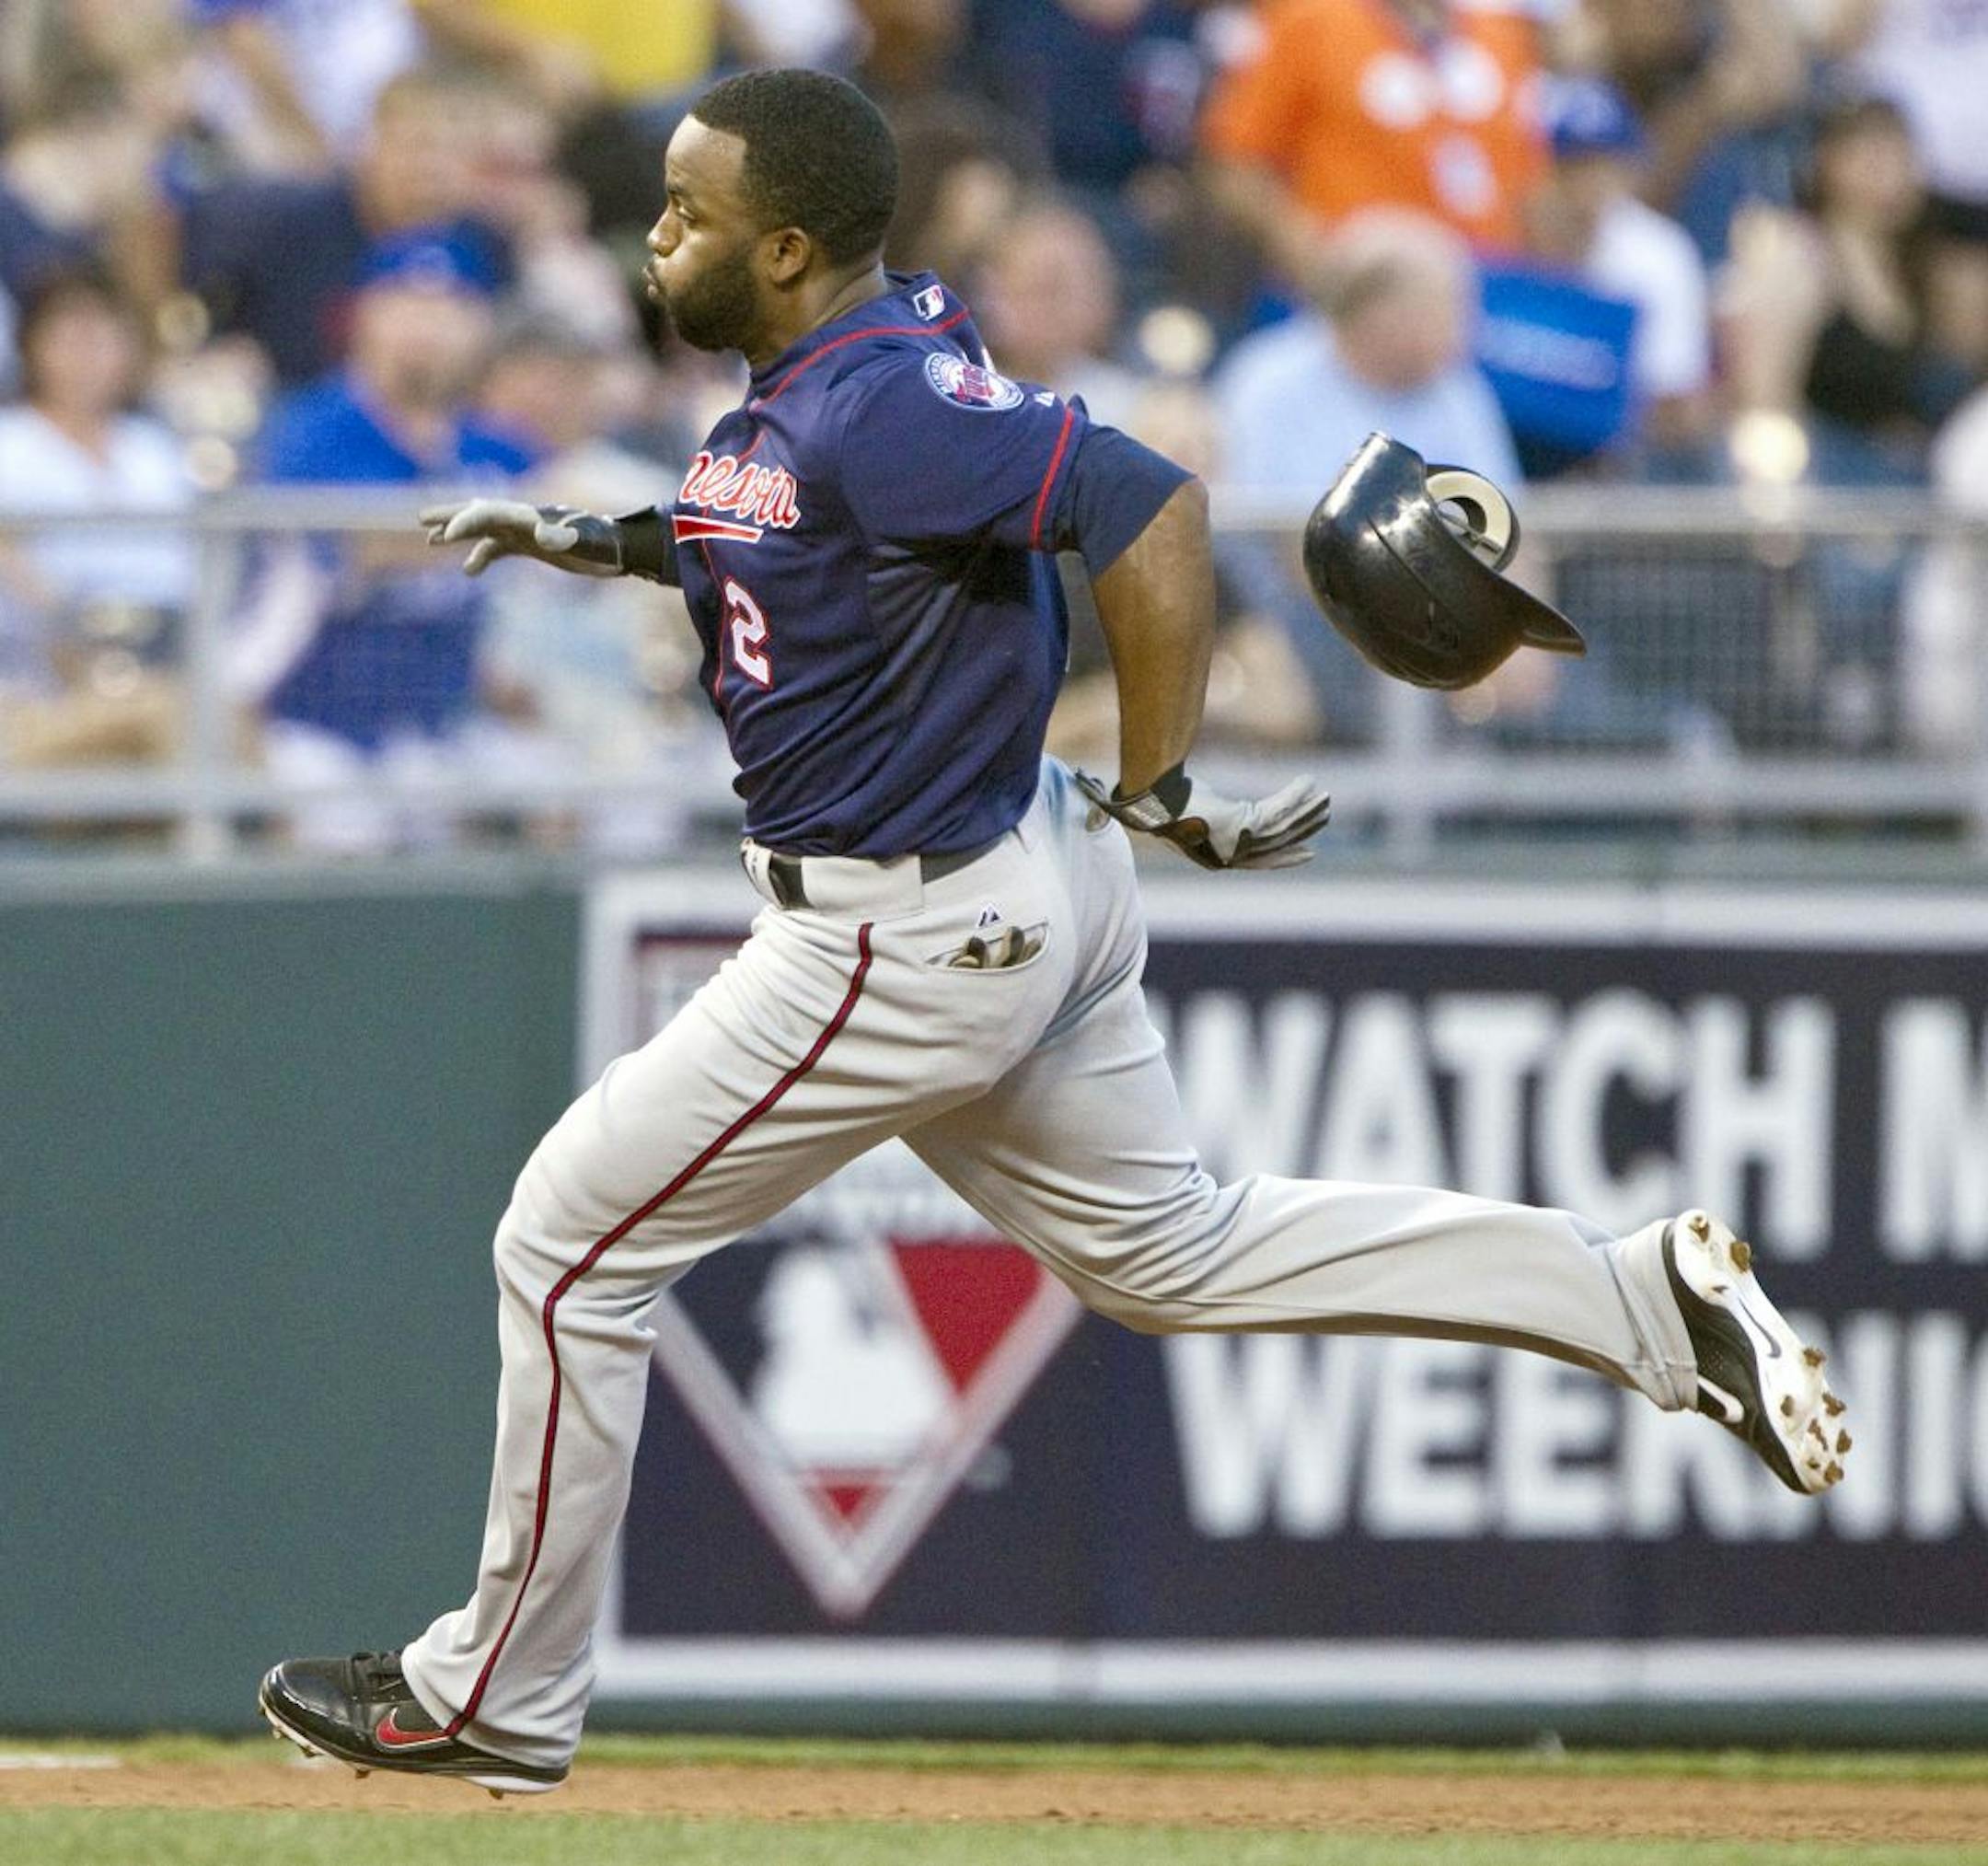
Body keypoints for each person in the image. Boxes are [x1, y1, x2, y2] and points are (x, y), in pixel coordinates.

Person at [257, 67, 1849, 1795]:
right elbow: (790, 532)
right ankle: (1626, 1299)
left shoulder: (876, 407)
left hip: (902, 928)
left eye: (691, 211)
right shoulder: (863, 368)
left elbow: (1146, 507)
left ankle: (496, 1691)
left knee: (566, 1249)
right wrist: (594, 535)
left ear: (785, 246)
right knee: (1176, 1254)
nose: (659, 236)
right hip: (1021, 878)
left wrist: (1162, 781)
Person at [229, 228, 531, 852]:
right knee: (344, 825)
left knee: (592, 786)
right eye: (404, 303)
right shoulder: (311, 430)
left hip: (443, 728)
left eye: (448, 306)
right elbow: (366, 543)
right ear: (363, 317)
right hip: (304, 721)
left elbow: (579, 504)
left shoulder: (491, 446)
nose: (426, 326)